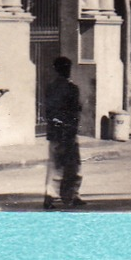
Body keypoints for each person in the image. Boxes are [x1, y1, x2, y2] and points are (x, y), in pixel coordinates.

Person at [44, 56, 84, 209]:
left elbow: (49, 110)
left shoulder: (50, 87)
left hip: (54, 131)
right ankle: (72, 196)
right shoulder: (72, 88)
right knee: (73, 165)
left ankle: (50, 196)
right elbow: (75, 111)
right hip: (68, 131)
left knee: (55, 164)